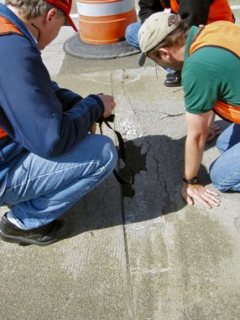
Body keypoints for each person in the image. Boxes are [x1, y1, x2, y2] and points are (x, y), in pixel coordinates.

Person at [0, 0, 118, 246]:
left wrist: (78, 105)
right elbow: (52, 139)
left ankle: (27, 193)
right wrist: (95, 105)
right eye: (62, 25)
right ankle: (22, 222)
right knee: (102, 153)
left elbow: (38, 89)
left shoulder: (7, 29)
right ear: (50, 16)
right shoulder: (12, 50)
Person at [138, 11, 240, 208]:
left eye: (156, 61)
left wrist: (191, 182)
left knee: (221, 176)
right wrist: (205, 125)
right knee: (223, 144)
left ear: (164, 53)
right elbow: (217, 87)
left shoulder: (197, 67)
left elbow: (197, 135)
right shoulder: (214, 29)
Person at [126, 0, 234, 87]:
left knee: (183, 45)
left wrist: (166, 40)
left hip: (214, 30)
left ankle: (194, 70)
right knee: (133, 32)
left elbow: (192, 25)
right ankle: (180, 69)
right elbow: (146, 9)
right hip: (183, 24)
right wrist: (155, 31)